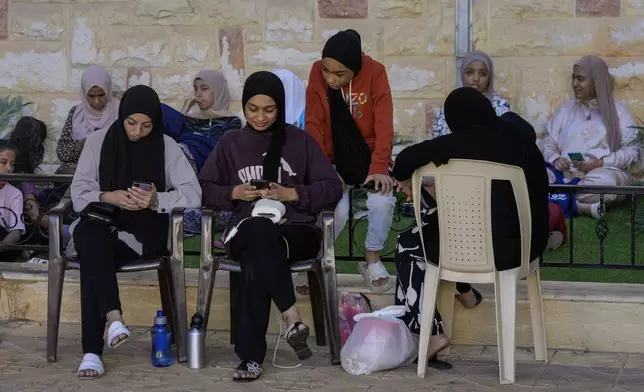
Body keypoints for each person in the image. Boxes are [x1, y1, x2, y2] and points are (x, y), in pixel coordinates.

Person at [199, 71, 343, 382]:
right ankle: (291, 316)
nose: (260, 117)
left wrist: (292, 193)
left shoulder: (301, 142)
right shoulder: (230, 143)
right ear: (244, 106)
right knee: (258, 231)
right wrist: (234, 193)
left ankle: (251, 359)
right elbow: (204, 187)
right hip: (245, 229)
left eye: (269, 109)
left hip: (295, 232)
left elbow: (332, 188)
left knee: (256, 256)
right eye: (253, 109)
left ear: (280, 107)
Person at [392, 87, 550, 365]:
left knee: (409, 243)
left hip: (488, 248)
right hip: (528, 243)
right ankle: (465, 291)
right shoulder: (516, 130)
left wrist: (407, 180)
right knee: (441, 219)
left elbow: (404, 161)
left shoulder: (466, 141)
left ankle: (430, 334)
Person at [70, 85, 201, 379]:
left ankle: (92, 351)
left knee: (92, 256)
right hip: (101, 226)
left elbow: (193, 194)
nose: (138, 131)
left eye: (146, 125)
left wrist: (157, 200)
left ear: (155, 122)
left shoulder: (166, 146)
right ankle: (114, 318)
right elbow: (79, 194)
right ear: (122, 117)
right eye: (131, 123)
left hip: (141, 236)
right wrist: (109, 196)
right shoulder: (98, 141)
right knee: (92, 237)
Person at [305, 29, 396, 292]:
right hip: (330, 159)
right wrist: (323, 170)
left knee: (382, 202)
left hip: (368, 158)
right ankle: (317, 260)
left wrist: (379, 165)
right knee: (338, 210)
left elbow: (384, 122)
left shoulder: (375, 72)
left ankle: (372, 259)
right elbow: (313, 123)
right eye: (326, 71)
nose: (331, 79)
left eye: (339, 74)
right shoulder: (316, 73)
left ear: (355, 69)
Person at [543, 55, 639, 219]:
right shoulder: (566, 110)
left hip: (600, 175)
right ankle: (581, 206)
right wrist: (556, 159)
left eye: (580, 79)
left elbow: (632, 151)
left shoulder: (619, 113)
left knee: (608, 183)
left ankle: (559, 198)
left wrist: (600, 163)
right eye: (573, 78)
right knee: (537, 174)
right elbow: (548, 144)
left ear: (596, 81)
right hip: (564, 176)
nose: (574, 84)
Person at [56, 66, 119, 174]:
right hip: (80, 168)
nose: (97, 101)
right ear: (84, 93)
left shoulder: (120, 111)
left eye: (101, 95)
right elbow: (62, 152)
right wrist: (83, 144)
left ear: (108, 90)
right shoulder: (76, 113)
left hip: (112, 167)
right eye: (91, 96)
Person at [433, 50, 510, 138]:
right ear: (462, 75)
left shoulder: (501, 107)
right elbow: (439, 141)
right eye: (470, 72)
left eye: (483, 74)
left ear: (489, 77)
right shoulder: (451, 106)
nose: (476, 78)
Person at [8, 117, 50, 258]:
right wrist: (58, 227)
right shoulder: (20, 171)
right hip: (16, 225)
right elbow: (33, 213)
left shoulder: (8, 155)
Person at [0, 140, 25, 262]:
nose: (9, 168)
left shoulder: (15, 194)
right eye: (3, 162)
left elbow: (16, 232)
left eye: (12, 164)